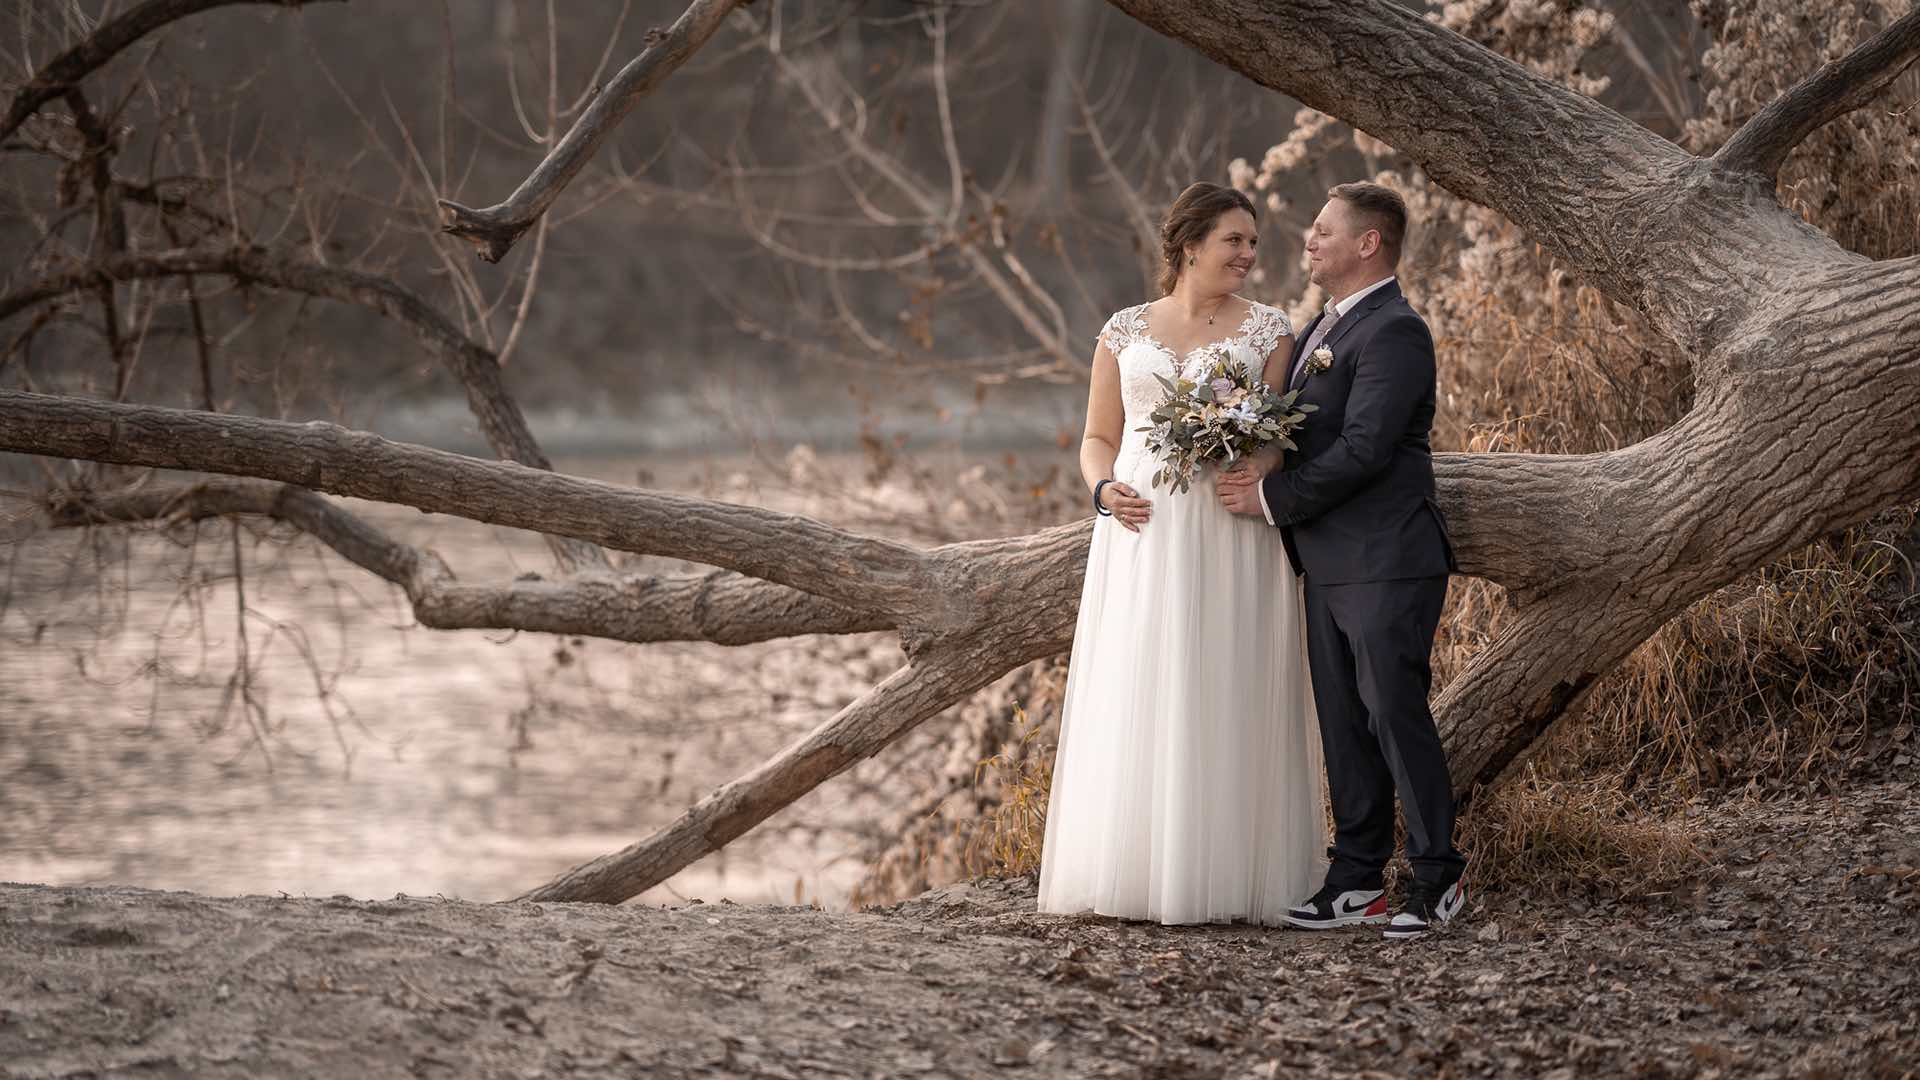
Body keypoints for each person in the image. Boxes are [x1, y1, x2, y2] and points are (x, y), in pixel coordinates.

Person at [1037, 182, 1326, 925]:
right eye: (1234, 240)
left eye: (1253, 243)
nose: (1248, 255)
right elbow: (1098, 436)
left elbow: (1274, 439)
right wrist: (1103, 491)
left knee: (1225, 675)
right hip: (1142, 530)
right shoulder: (1124, 330)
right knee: (1142, 676)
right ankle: (1136, 870)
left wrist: (1254, 467)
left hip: (1228, 527)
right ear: (1190, 245)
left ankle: (1230, 874)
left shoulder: (1269, 331)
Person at [1217, 182, 1467, 940]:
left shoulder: (1395, 330)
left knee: (1393, 712)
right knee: (1343, 723)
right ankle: (1357, 878)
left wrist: (1270, 499)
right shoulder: (1326, 323)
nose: (1308, 240)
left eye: (1324, 230)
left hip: (1388, 557)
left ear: (1369, 244)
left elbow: (1365, 448)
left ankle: (1437, 878)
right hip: (1326, 560)